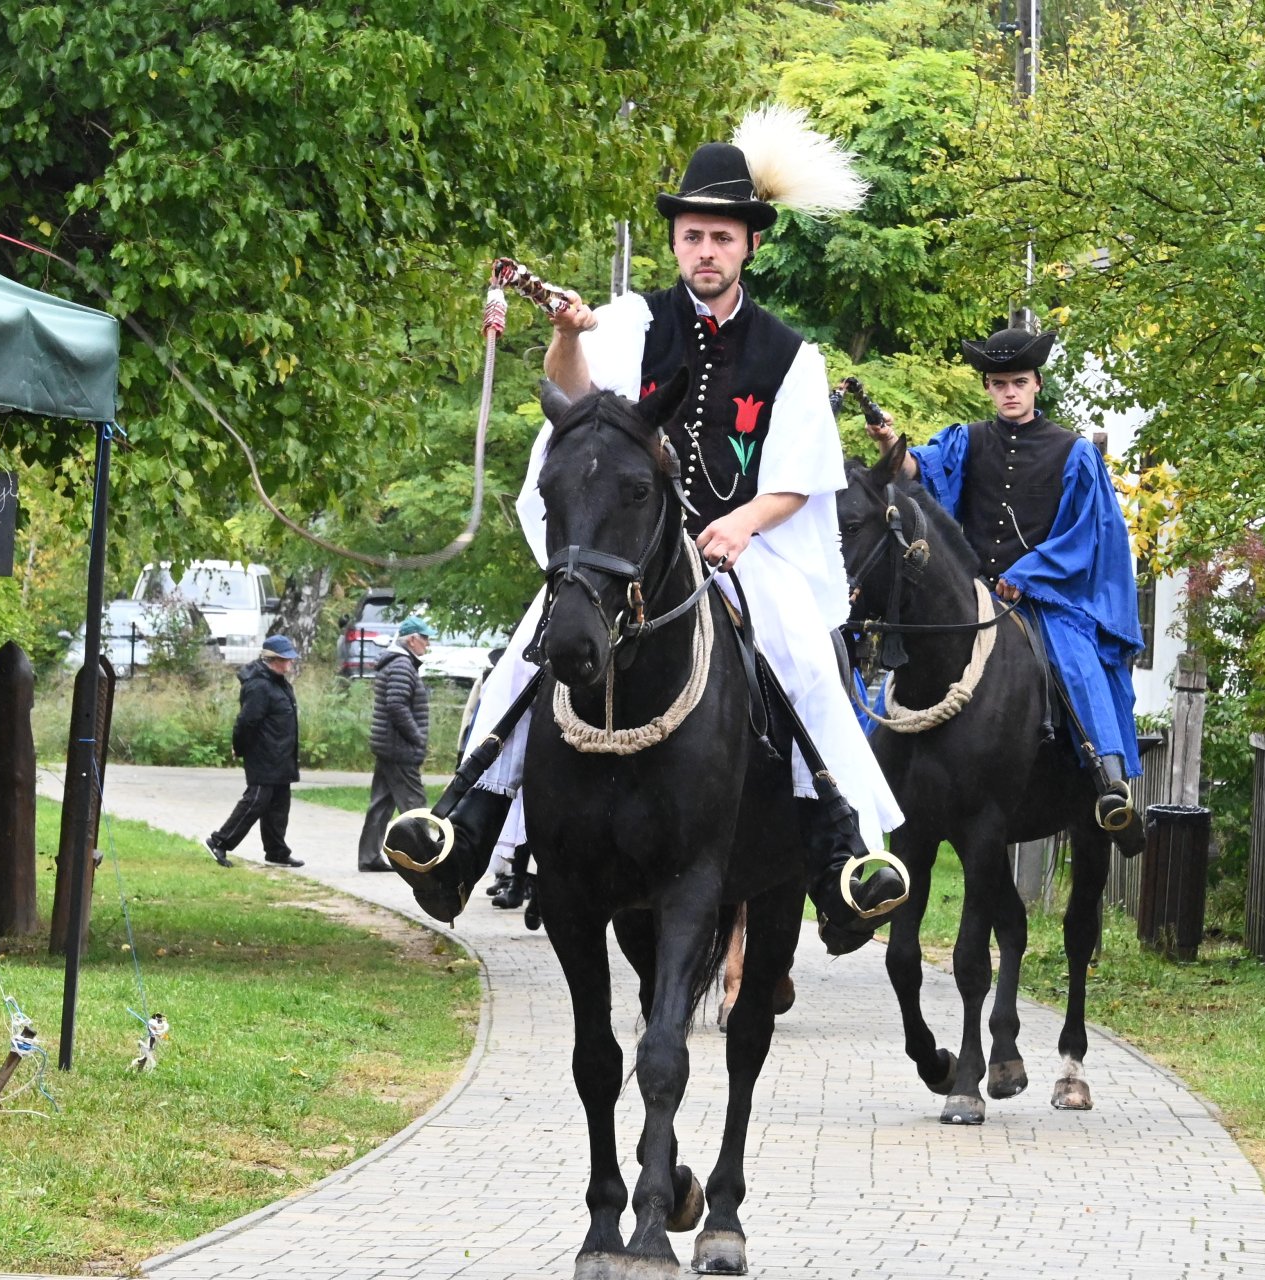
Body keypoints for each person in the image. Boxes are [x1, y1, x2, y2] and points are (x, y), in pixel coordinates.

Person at [408, 107, 909, 941]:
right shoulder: (631, 322)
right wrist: (566, 336)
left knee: (806, 663)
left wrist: (744, 523)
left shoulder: (790, 355)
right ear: (675, 243)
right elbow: (574, 396)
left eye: (721, 237)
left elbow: (801, 474)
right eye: (692, 236)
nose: (705, 250)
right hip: (630, 551)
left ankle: (841, 859)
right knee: (529, 650)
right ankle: (465, 833)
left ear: (749, 246)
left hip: (738, 548)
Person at [867, 326, 1146, 851]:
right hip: (973, 596)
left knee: (1079, 667)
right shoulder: (967, 440)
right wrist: (889, 444)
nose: (1009, 392)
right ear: (988, 388)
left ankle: (1110, 784)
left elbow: (1085, 534)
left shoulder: (1075, 453)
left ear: (1037, 383)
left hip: (1045, 599)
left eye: (1019, 382)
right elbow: (919, 471)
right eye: (999, 384)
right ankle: (864, 773)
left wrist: (1027, 574)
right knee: (900, 675)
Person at [205, 634, 304, 868]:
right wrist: (239, 747)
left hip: (281, 755)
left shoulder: (278, 681)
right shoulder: (259, 685)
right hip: (264, 755)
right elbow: (246, 722)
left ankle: (276, 852)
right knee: (256, 801)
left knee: (279, 804)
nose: (291, 662)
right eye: (286, 659)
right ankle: (219, 842)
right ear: (274, 659)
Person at [357, 616, 435, 872]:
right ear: (412, 640)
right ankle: (425, 859)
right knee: (415, 803)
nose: (427, 644)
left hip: (389, 746)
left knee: (381, 804)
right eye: (425, 638)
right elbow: (396, 705)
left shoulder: (398, 662)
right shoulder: (402, 665)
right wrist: (417, 737)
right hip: (400, 748)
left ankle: (369, 857)